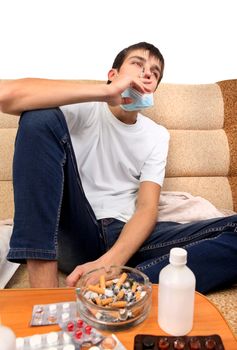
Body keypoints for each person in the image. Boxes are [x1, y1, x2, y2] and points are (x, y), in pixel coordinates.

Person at [0, 42, 236, 293]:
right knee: (38, 115)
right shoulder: (81, 108)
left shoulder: (157, 136)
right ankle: (43, 296)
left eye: (154, 73)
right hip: (76, 232)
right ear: (113, 74)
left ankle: (125, 285)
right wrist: (105, 92)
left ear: (154, 88)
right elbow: (6, 95)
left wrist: (113, 262)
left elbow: (146, 208)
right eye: (137, 64)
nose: (147, 73)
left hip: (124, 237)